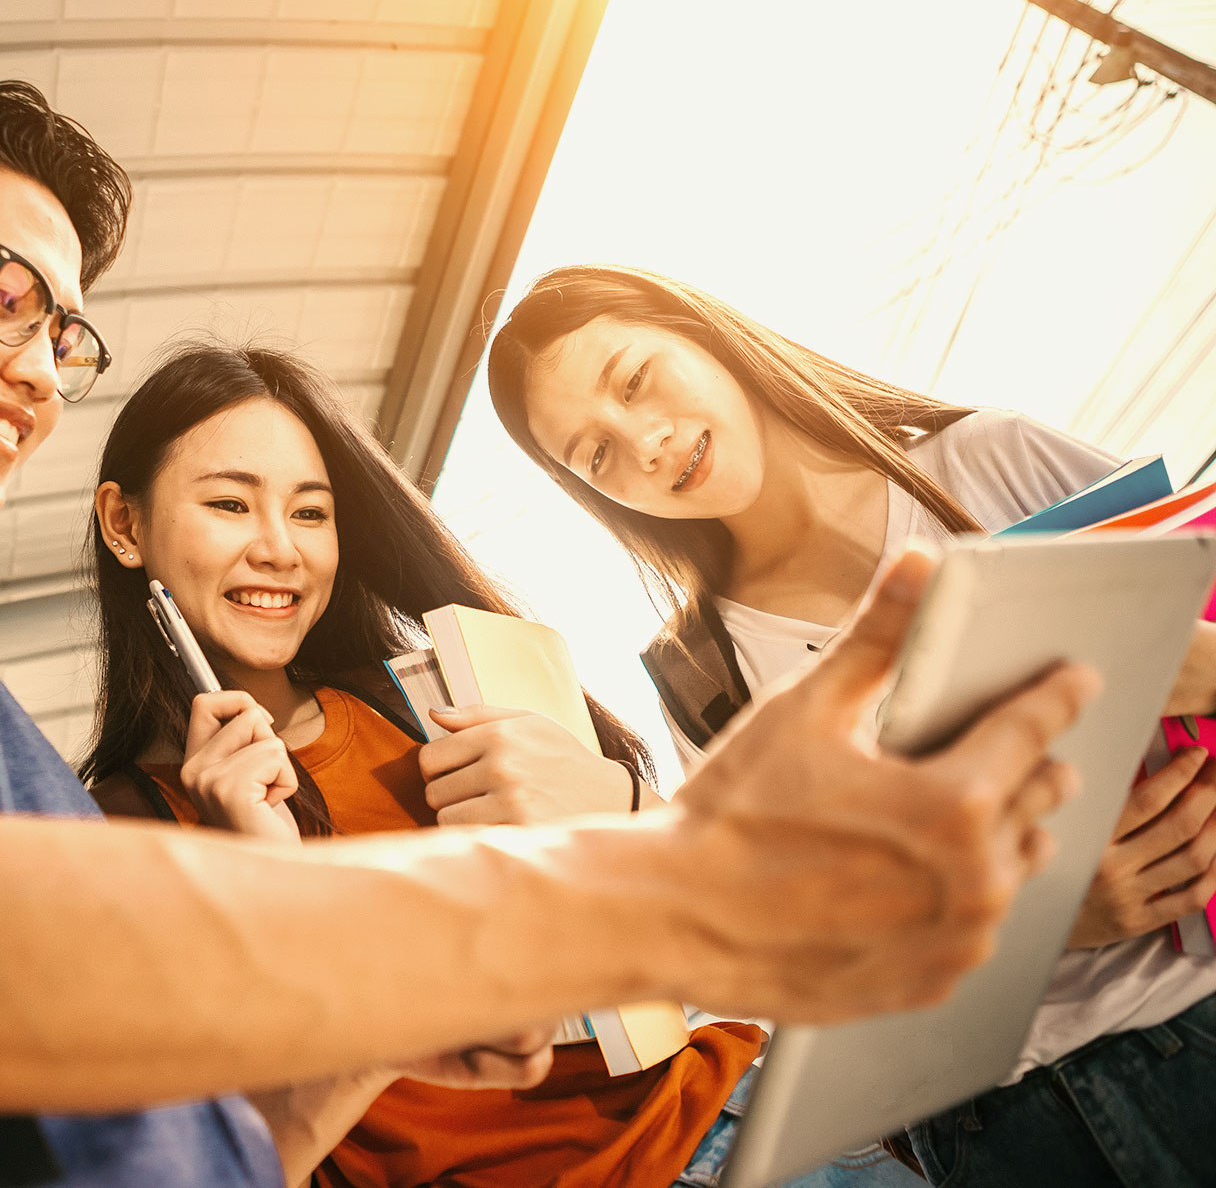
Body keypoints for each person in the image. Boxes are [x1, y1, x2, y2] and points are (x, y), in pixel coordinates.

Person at [0, 80, 1087, 1187]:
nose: (43, 364)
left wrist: (391, 1008)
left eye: (67, 332)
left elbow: (214, 1149)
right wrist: (650, 881)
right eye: (6, 294)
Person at [79, 342, 922, 1188]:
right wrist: (271, 879)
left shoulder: (427, 689)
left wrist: (615, 798)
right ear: (126, 525)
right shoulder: (115, 838)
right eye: (230, 503)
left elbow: (707, 913)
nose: (280, 549)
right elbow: (232, 1164)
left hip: (746, 1125)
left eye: (310, 512)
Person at [487, 263, 1216, 1188]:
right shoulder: (703, 679)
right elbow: (817, 972)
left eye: (634, 379)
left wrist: (1182, 663)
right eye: (595, 456)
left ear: (702, 331)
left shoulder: (984, 463)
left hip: (1187, 1022)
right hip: (997, 1137)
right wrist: (1047, 918)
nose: (646, 442)